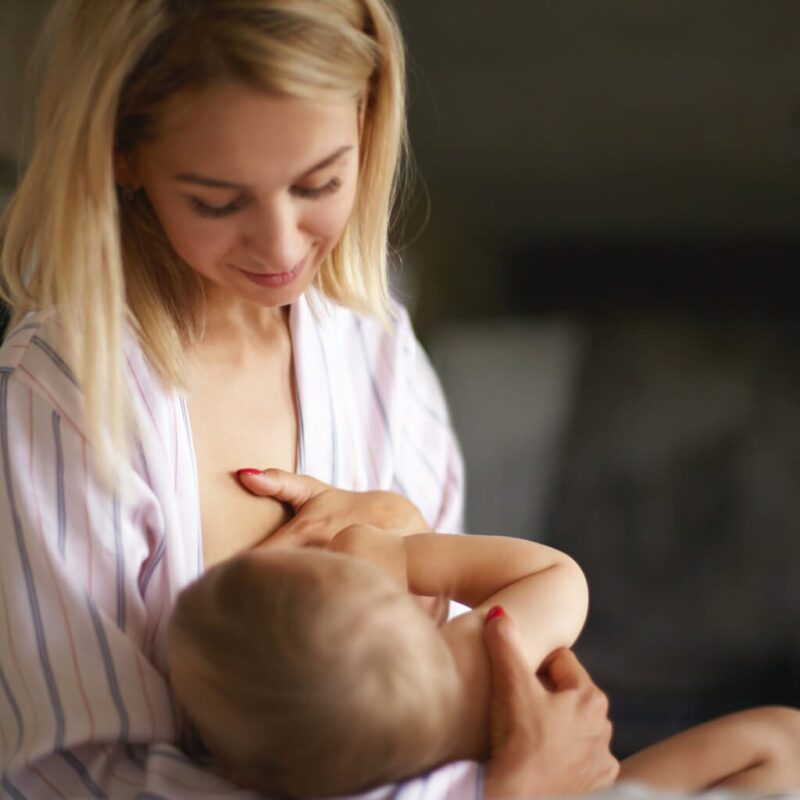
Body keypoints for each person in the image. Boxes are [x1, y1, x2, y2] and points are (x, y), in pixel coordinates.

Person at [0, 0, 617, 797]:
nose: (283, 247)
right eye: (219, 202)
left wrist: (512, 713)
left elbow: (440, 696)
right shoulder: (67, 398)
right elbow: (73, 779)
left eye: (319, 182)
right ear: (122, 154)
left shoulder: (375, 346)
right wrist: (521, 784)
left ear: (367, 121)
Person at [167, 518, 800, 798]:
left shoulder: (292, 774)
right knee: (782, 737)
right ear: (419, 609)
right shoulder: (473, 668)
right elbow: (561, 578)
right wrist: (400, 554)